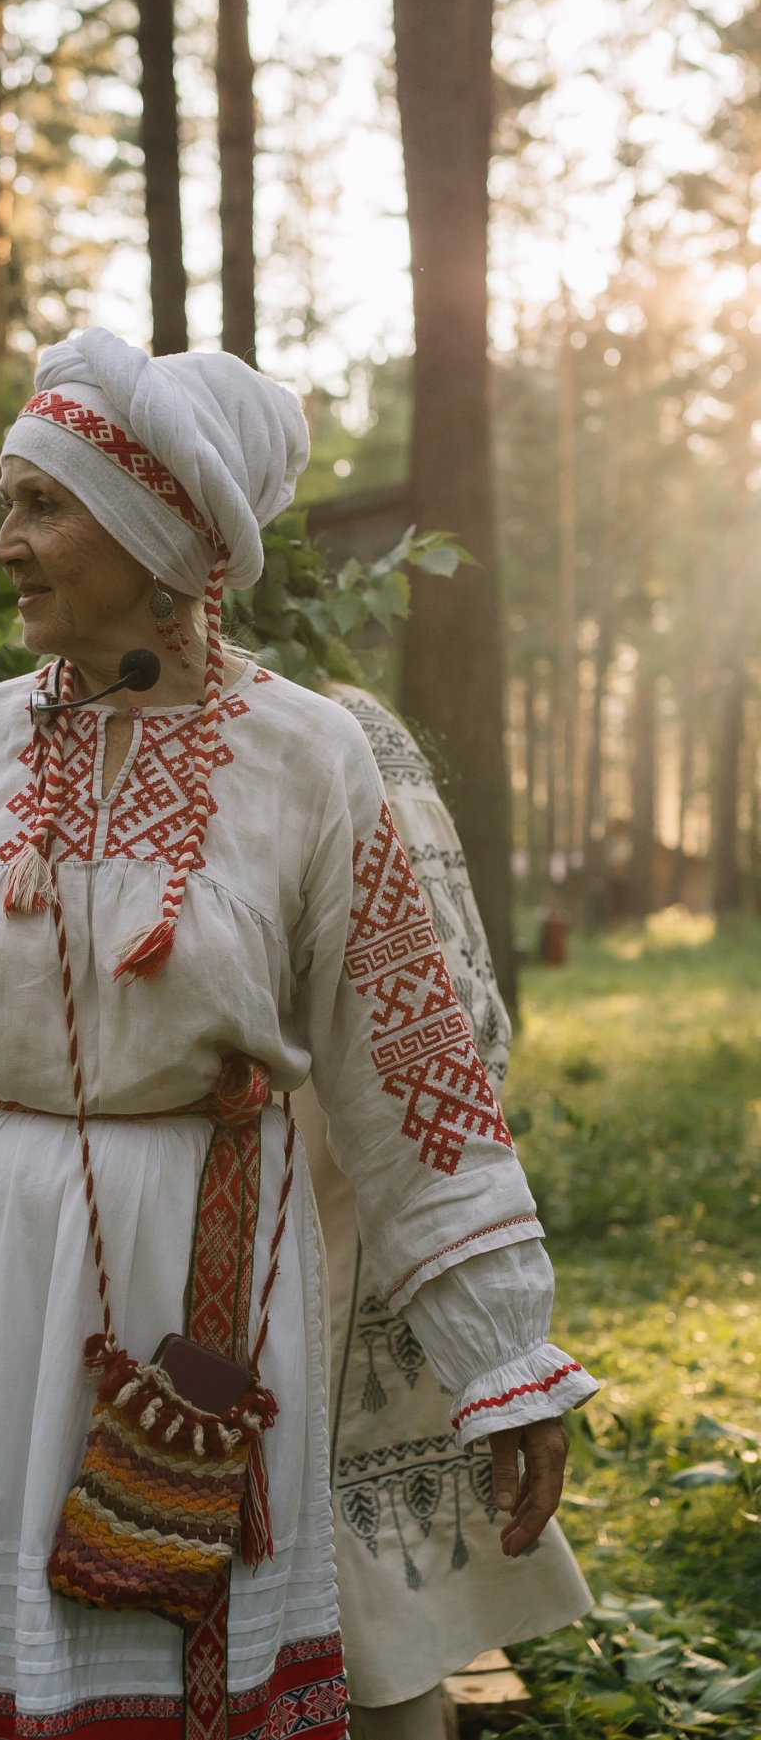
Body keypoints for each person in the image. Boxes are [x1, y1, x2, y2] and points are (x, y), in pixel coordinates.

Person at [0, 329, 596, 1740]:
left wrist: (502, 1363)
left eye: (42, 507)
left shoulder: (308, 757)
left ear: (157, 531)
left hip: (194, 1295)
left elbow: (414, 1074)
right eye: (7, 504)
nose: (5, 545)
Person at [304, 684, 590, 1740]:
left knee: (357, 1581)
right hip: (392, 1180)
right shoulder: (358, 719)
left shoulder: (325, 729)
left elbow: (437, 1005)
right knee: (376, 1586)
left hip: (341, 1182)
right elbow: (472, 1014)